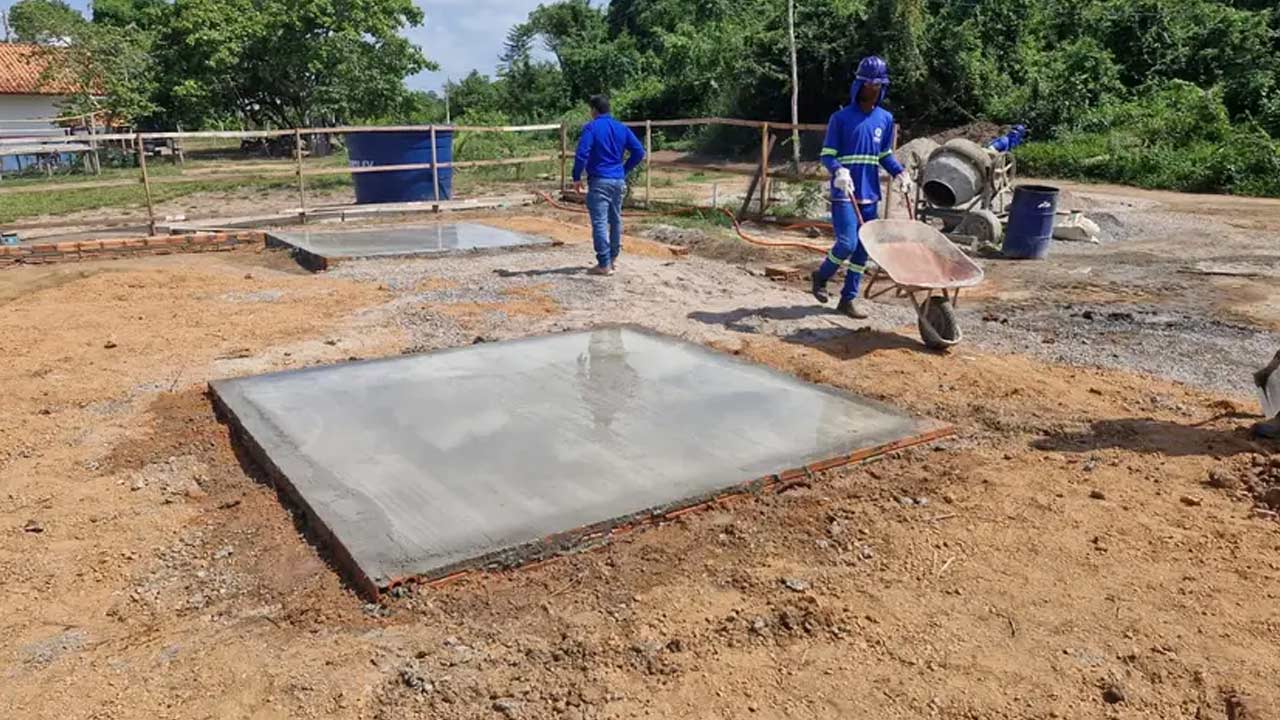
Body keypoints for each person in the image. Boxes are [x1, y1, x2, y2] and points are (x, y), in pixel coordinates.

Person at [811, 55, 916, 318]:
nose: (874, 89)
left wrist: (900, 173)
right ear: (859, 85)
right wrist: (838, 170)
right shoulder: (841, 118)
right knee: (847, 243)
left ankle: (848, 299)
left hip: (870, 193)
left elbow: (884, 155)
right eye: (870, 84)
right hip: (845, 192)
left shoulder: (885, 119)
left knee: (863, 250)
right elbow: (827, 155)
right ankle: (821, 276)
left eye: (879, 84)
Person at [572, 95, 646, 276]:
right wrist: (624, 170)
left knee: (599, 222)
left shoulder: (591, 127)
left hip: (599, 180)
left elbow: (582, 153)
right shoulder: (621, 128)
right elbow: (639, 152)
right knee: (615, 220)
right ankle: (613, 259)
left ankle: (604, 263)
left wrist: (576, 176)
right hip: (617, 180)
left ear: (594, 110)